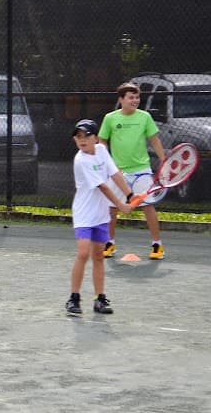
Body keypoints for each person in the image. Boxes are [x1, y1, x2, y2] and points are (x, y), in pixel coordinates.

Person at [66, 119, 133, 316]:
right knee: (83, 253)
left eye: (86, 136)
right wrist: (121, 204)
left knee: (98, 256)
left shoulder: (102, 151)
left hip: (101, 214)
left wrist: (129, 195)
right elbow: (102, 186)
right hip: (84, 214)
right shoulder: (81, 160)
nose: (82, 140)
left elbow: (114, 174)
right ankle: (73, 298)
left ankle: (100, 299)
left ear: (95, 138)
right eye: (78, 136)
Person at [98, 82, 168, 260]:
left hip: (141, 171)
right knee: (112, 209)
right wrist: (109, 165)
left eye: (137, 97)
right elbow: (102, 141)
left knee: (148, 207)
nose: (135, 100)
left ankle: (157, 245)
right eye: (131, 97)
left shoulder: (144, 117)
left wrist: (163, 160)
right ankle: (109, 243)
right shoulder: (110, 118)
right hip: (117, 172)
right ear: (121, 99)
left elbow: (155, 140)